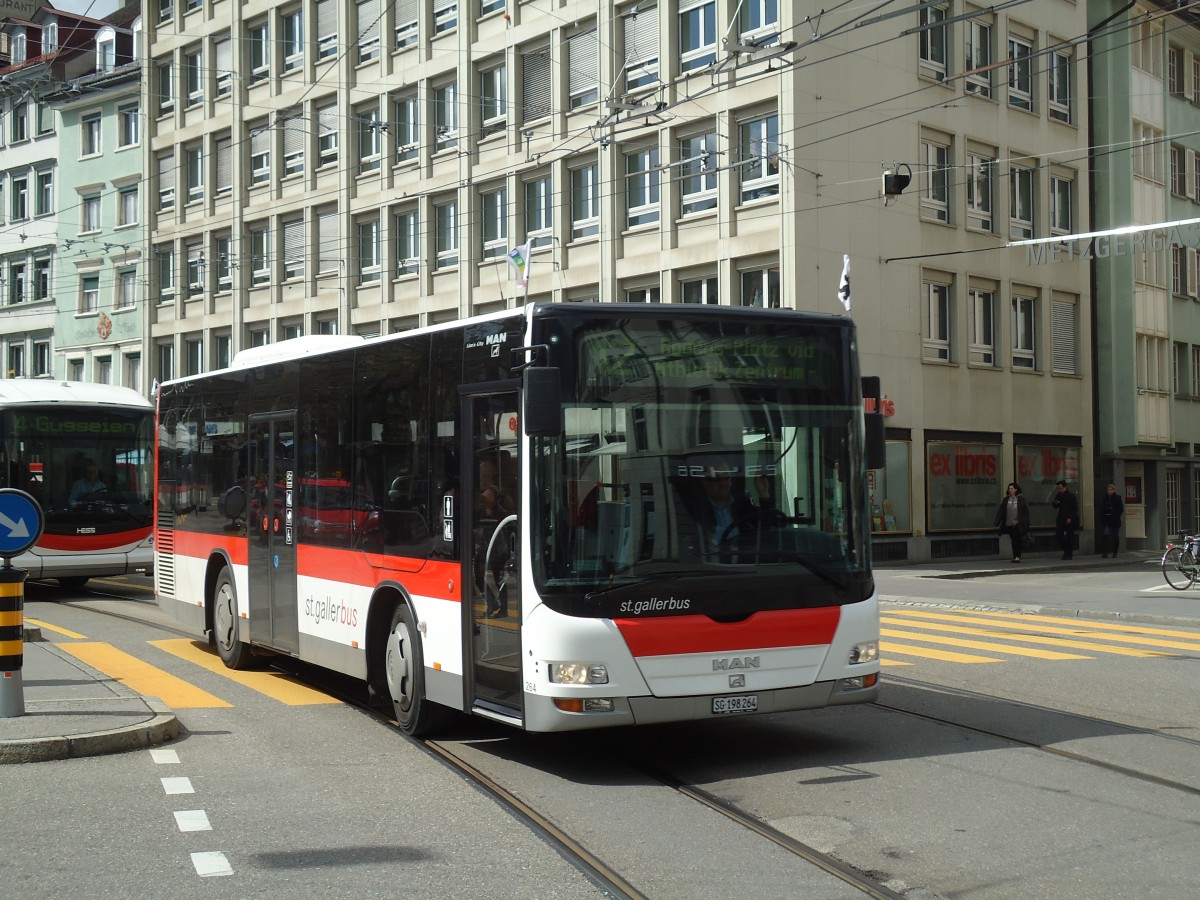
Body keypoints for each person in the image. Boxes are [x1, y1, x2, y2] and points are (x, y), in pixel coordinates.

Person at [691, 459, 773, 551]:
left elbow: (767, 529)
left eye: (726, 477)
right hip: (711, 561)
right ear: (705, 483)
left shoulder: (743, 505)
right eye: (717, 479)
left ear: (731, 481)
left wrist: (764, 495)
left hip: (744, 560)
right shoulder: (697, 510)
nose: (722, 483)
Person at [993, 482, 1031, 563]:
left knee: (1017, 540)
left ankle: (1017, 556)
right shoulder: (1006, 499)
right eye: (1009, 488)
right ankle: (1015, 556)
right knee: (1013, 540)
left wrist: (1025, 522)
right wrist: (997, 521)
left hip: (1017, 523)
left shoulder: (1021, 499)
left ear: (1016, 489)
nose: (1010, 490)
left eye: (1012, 488)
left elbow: (1026, 512)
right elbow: (1001, 511)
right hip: (1009, 523)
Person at [1052, 479, 1079, 560]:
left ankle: (1069, 554)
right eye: (1058, 488)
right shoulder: (1058, 495)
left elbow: (1075, 509)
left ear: (1065, 487)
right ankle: (1066, 551)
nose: (1059, 490)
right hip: (1061, 519)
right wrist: (1055, 503)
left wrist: (1070, 518)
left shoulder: (1071, 496)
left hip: (1069, 519)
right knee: (1059, 535)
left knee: (1070, 537)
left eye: (1060, 488)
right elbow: (1054, 505)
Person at [1098, 482, 1124, 558]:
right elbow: (1102, 509)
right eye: (1108, 490)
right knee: (1105, 535)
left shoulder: (1118, 498)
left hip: (1115, 520)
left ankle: (1115, 552)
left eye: (1111, 490)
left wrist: (1115, 515)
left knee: (1115, 536)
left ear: (1113, 490)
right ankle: (1105, 552)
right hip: (1107, 520)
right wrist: (1102, 518)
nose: (1109, 491)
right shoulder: (1105, 498)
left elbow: (1121, 509)